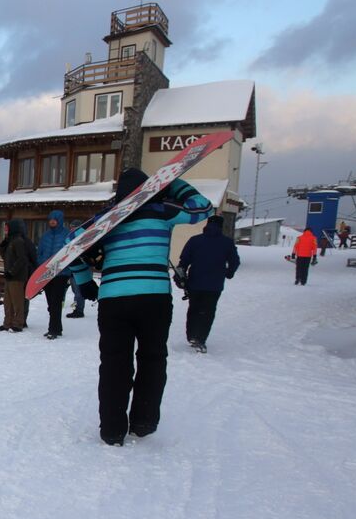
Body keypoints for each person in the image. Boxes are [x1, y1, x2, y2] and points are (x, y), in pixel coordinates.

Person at [67, 167, 213, 445]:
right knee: (152, 359)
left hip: (113, 299)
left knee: (113, 363)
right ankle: (143, 421)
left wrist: (84, 281)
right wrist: (173, 183)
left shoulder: (106, 219)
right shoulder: (163, 211)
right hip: (154, 298)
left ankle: (111, 430)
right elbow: (203, 208)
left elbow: (71, 244)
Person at [177, 215, 241, 352]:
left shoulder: (195, 240)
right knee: (208, 311)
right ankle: (200, 338)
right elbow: (235, 261)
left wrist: (181, 277)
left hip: (194, 282)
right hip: (214, 284)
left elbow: (183, 261)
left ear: (207, 225)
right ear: (221, 226)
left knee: (193, 308)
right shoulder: (227, 242)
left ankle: (192, 335)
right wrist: (229, 273)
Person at [36, 210, 72, 339]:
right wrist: (41, 264)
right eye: (50, 219)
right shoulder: (45, 236)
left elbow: (70, 254)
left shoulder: (67, 235)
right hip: (46, 273)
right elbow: (39, 253)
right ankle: (57, 327)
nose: (52, 221)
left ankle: (54, 329)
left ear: (59, 220)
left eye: (54, 219)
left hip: (61, 274)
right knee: (50, 302)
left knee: (56, 301)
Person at [0, 219, 34, 332]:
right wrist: (2, 246)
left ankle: (18, 323)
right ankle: (7, 323)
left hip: (17, 277)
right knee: (7, 302)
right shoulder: (10, 241)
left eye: (7, 228)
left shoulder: (18, 241)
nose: (5, 230)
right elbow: (6, 258)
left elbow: (22, 259)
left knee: (17, 301)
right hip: (9, 275)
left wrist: (12, 272)